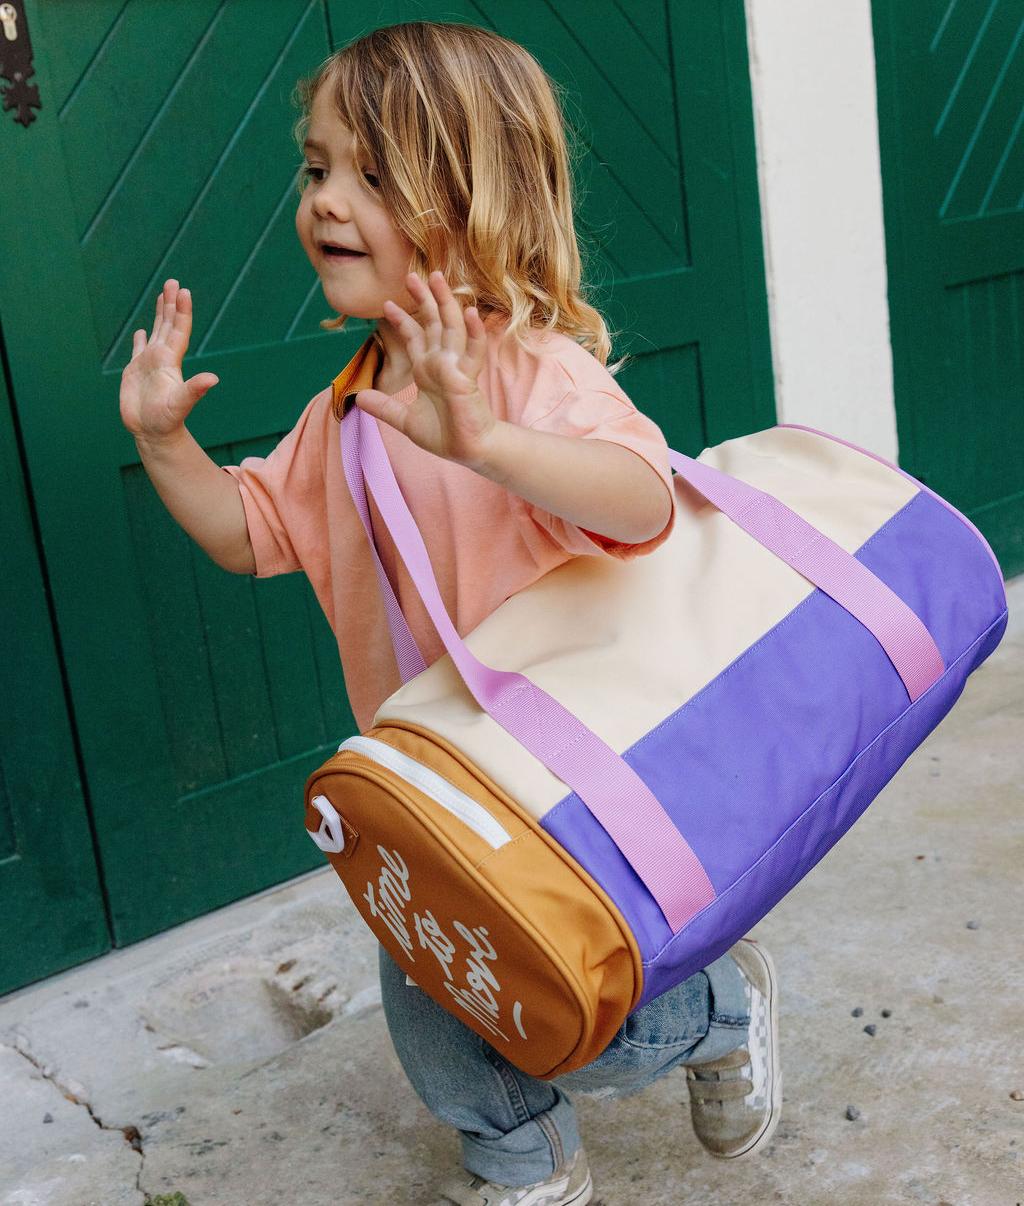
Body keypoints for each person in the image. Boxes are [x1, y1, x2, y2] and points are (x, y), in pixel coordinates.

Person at [119, 20, 781, 1205]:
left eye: (372, 174)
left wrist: (488, 443)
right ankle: (519, 1154)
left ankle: (715, 1008)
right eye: (316, 167)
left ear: (474, 197)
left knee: (593, 1019)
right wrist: (164, 443)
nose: (326, 199)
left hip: (567, 784)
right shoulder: (347, 409)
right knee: (432, 978)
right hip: (433, 785)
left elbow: (643, 503)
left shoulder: (530, 372)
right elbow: (247, 531)